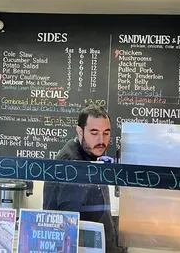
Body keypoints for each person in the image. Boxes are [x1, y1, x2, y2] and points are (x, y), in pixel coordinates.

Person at [43, 104, 117, 253]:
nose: (101, 140)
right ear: (80, 132)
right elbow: (69, 222)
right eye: (94, 133)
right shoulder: (73, 163)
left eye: (106, 133)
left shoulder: (88, 154)